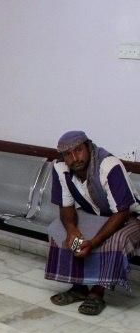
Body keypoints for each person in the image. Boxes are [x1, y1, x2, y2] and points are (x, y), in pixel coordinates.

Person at [46, 130, 140, 315]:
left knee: (116, 238)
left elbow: (121, 212)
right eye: (68, 154)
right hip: (95, 215)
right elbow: (66, 207)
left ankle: (97, 292)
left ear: (88, 147)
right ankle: (79, 287)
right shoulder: (60, 168)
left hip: (130, 217)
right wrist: (72, 230)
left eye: (78, 150)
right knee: (60, 228)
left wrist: (94, 242)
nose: (74, 158)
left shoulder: (108, 165)